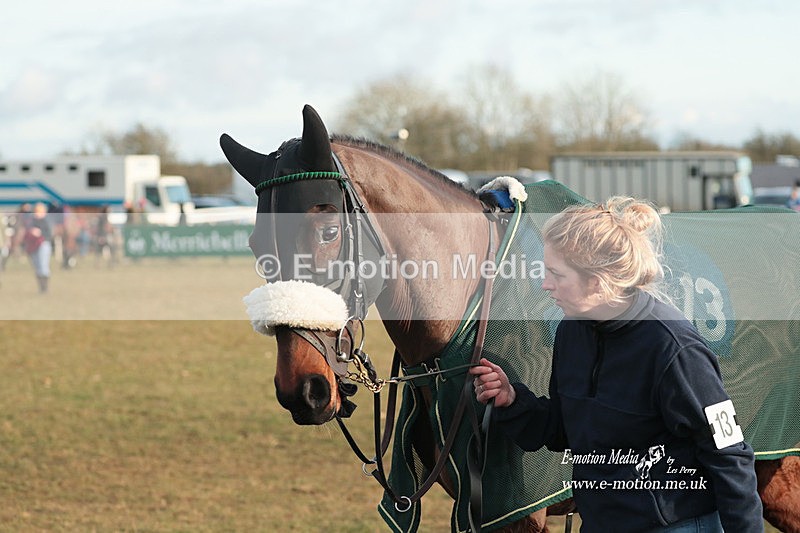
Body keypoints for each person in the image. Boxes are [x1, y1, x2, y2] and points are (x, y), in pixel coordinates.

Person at [471, 196, 763, 532]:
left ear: (596, 280)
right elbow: (567, 430)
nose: (545, 284)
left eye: (556, 274)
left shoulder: (675, 348)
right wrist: (513, 400)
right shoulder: (571, 331)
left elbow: (730, 453)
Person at [23, 203, 53, 293]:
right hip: (33, 246)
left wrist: (40, 233)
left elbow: (49, 234)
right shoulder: (31, 221)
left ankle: (45, 288)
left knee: (43, 266)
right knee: (37, 267)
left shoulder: (47, 221)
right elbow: (26, 231)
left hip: (43, 244)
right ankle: (41, 288)